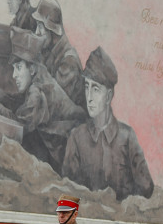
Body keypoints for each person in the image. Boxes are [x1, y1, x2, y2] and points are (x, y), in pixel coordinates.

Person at [0, 27, 86, 171]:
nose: (14, 75)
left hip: (68, 153)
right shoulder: (39, 76)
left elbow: (17, 125)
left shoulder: (37, 92)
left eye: (19, 67)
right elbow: (14, 101)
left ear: (32, 69)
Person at [61, 46, 154, 199]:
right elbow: (68, 193)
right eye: (87, 87)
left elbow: (146, 189)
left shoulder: (127, 137)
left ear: (109, 96)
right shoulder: (76, 137)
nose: (89, 97)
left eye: (95, 89)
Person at [32, 0, 86, 110]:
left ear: (51, 29)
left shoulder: (69, 61)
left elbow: (56, 105)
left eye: (40, 26)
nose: (36, 32)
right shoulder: (49, 52)